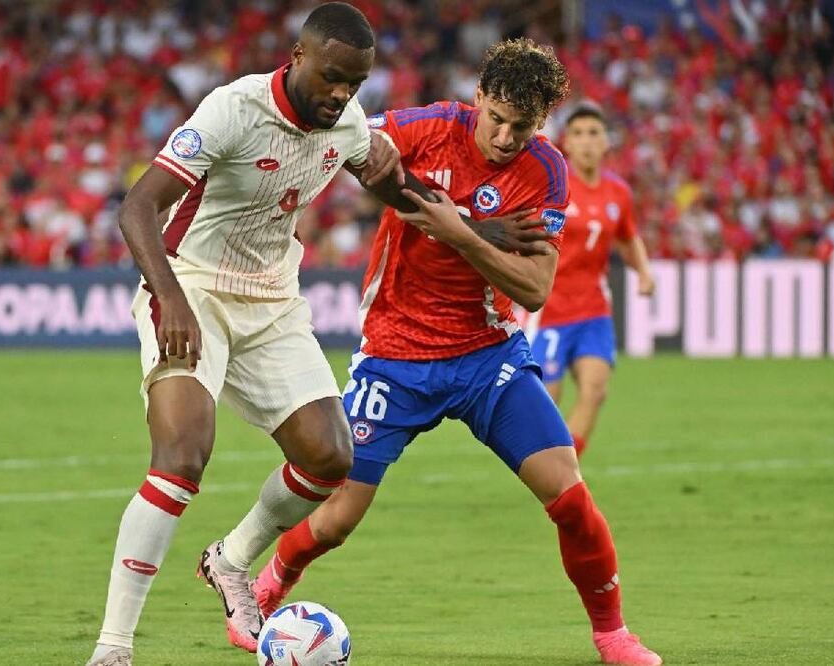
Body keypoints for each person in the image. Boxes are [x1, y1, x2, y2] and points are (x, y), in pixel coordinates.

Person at [248, 39, 663, 666]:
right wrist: (461, 220)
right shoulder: (431, 127)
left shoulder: (546, 170)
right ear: (479, 97)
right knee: (335, 520)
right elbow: (357, 148)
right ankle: (269, 583)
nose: (505, 138)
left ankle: (613, 636)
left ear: (541, 123)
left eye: (522, 128)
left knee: (571, 499)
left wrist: (460, 233)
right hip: (395, 355)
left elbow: (535, 287)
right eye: (497, 119)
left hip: (486, 357)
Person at [84, 5, 401, 665]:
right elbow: (138, 207)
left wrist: (478, 230)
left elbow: (398, 186)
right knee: (181, 457)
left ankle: (230, 561)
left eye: (355, 83)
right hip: (192, 288)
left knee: (330, 457)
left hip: (273, 303)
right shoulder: (232, 110)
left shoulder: (348, 125)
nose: (342, 94)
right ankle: (113, 648)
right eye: (333, 78)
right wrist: (169, 296)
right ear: (298, 57)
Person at [526, 103, 655, 458]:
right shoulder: (553, 186)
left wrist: (643, 272)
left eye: (594, 133)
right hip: (549, 309)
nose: (586, 141)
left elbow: (628, 237)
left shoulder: (618, 192)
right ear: (566, 143)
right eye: (578, 134)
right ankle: (545, 462)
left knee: (595, 389)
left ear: (606, 142)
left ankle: (566, 464)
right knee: (546, 400)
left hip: (594, 309)